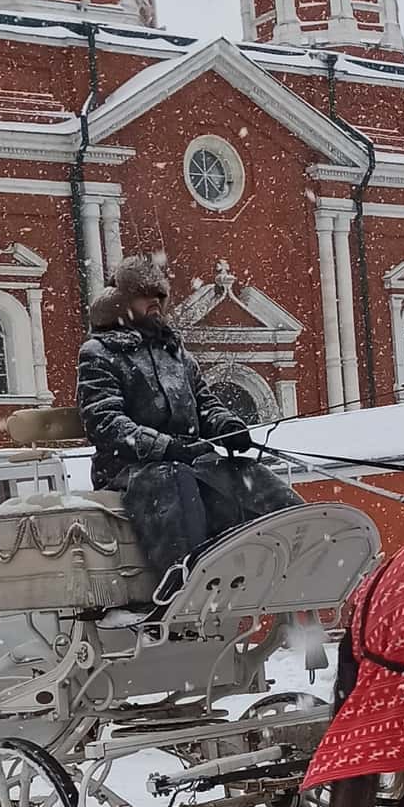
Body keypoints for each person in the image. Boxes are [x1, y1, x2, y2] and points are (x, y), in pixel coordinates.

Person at [75, 250, 298, 583]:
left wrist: (228, 427)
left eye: (158, 296)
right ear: (121, 302)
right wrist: (164, 447)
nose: (155, 303)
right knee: (172, 480)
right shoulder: (99, 353)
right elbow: (105, 421)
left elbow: (205, 403)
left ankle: (298, 546)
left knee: (248, 473)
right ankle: (185, 579)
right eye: (144, 296)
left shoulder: (175, 352)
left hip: (188, 463)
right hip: (129, 470)